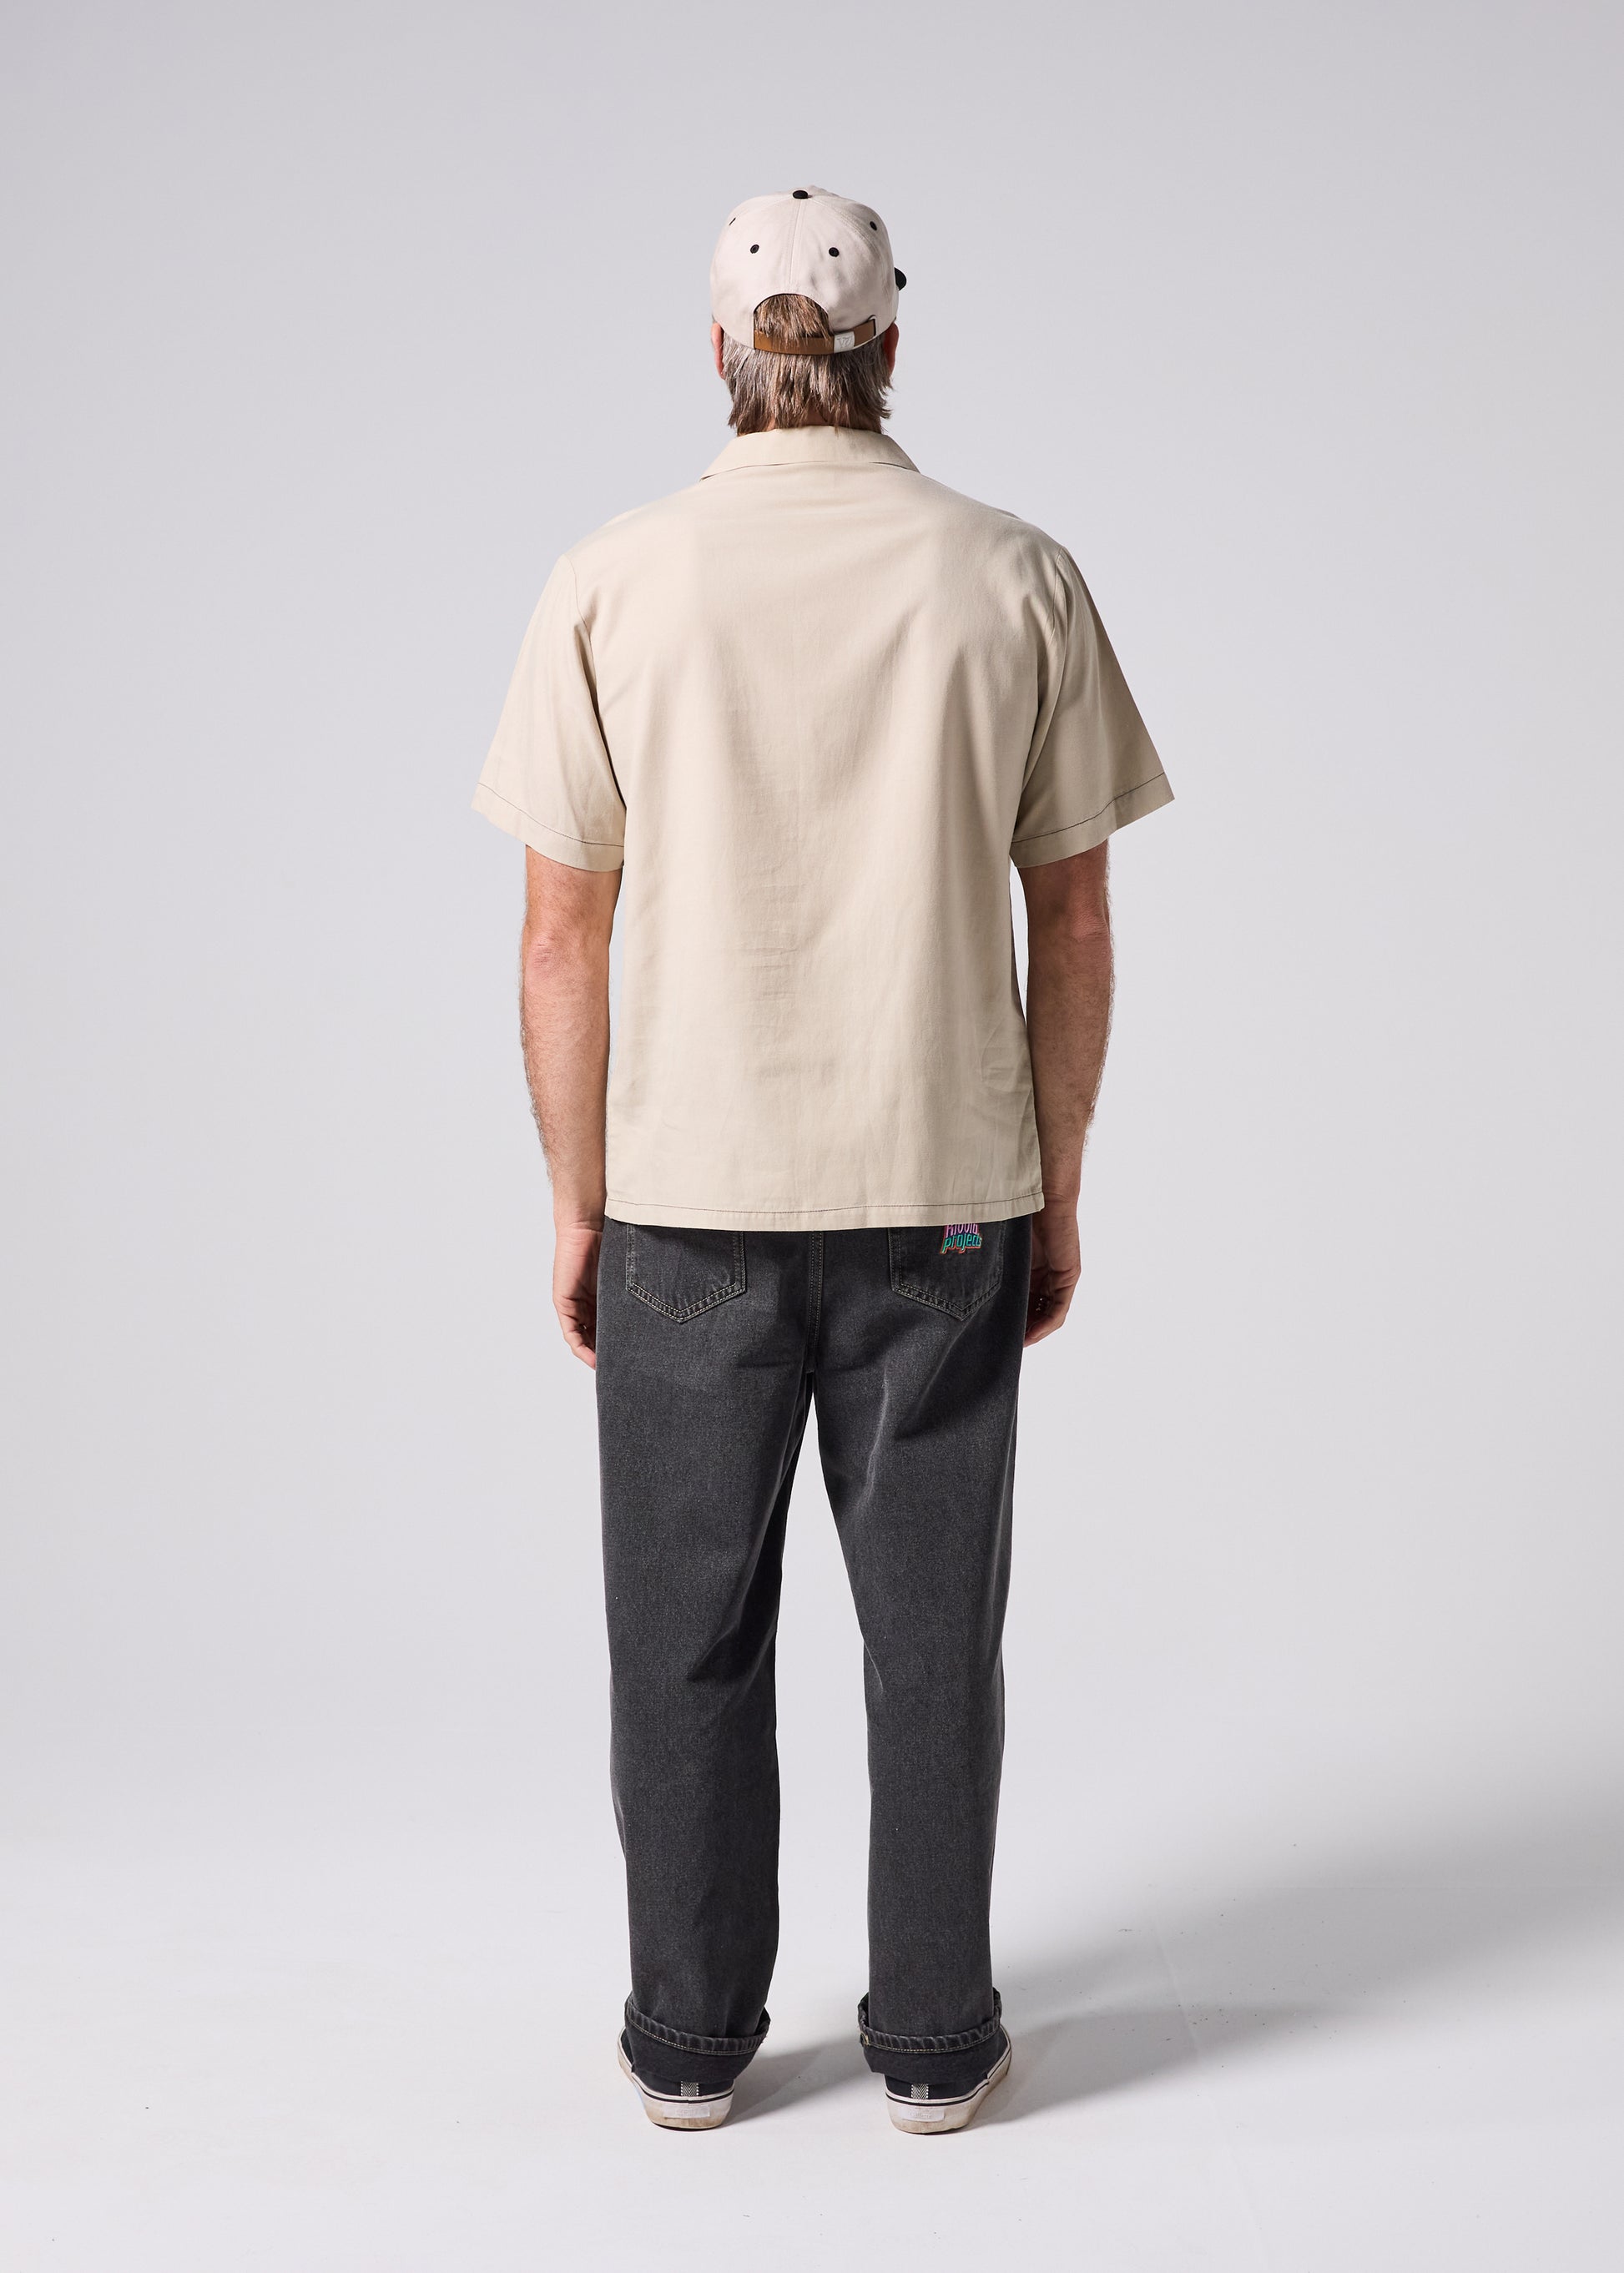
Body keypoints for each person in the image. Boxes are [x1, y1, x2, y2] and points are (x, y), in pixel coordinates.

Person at [472, 185, 1172, 2134]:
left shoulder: (613, 580)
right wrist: (1054, 1181)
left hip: (684, 1195)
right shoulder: (1013, 575)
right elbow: (1073, 924)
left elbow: (559, 938)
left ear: (718, 349)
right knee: (932, 1639)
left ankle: (691, 2042)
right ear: (892, 349)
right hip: (942, 1187)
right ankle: (935, 2041)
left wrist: (574, 1201)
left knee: (683, 1635)